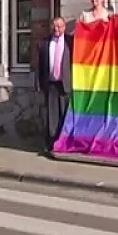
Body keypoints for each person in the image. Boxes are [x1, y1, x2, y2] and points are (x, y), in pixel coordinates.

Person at [37, 17, 73, 152]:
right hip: (51, 84)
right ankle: (51, 143)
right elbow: (40, 66)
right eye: (54, 26)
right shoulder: (45, 43)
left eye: (59, 26)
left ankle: (64, 142)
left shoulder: (71, 42)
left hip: (65, 84)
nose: (57, 29)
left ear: (64, 27)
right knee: (51, 116)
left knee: (65, 114)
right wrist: (39, 84)